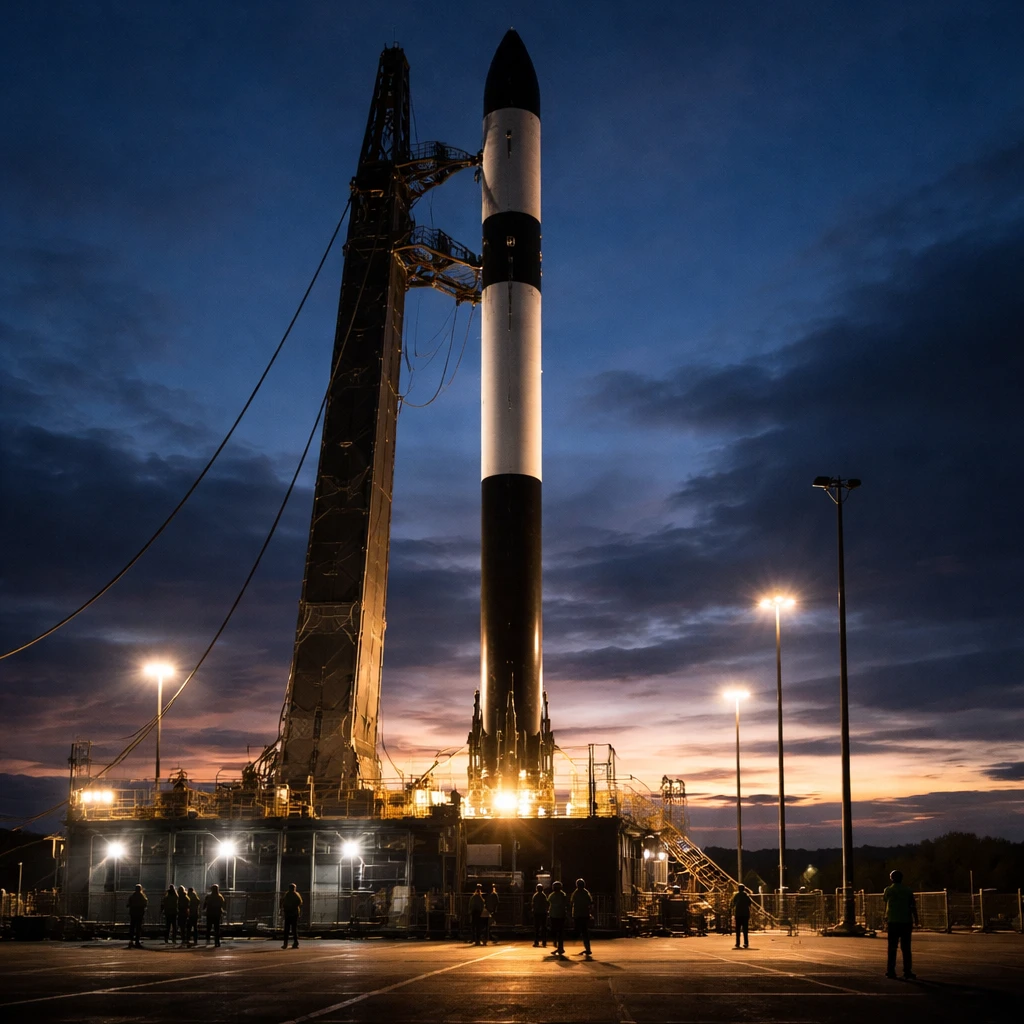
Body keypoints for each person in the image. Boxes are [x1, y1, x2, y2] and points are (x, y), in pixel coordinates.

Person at [883, 869, 919, 980]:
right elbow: (912, 905)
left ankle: (891, 971)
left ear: (891, 879)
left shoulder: (888, 890)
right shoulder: (907, 890)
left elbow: (885, 901)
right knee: (906, 948)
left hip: (893, 921)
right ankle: (907, 971)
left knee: (892, 947)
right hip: (906, 921)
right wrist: (916, 919)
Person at [571, 878, 593, 957]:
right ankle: (588, 948)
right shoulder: (586, 892)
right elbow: (590, 902)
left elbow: (572, 902)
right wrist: (590, 912)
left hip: (577, 914)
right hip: (585, 914)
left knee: (578, 930)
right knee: (585, 932)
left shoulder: (575, 893)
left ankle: (586, 948)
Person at [547, 881, 568, 955]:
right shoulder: (563, 895)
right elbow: (566, 904)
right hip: (561, 915)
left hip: (554, 915)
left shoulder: (552, 895)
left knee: (555, 931)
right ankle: (560, 947)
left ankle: (558, 945)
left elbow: (548, 903)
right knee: (560, 932)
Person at [281, 883, 302, 949]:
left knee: (287, 929)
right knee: (294, 929)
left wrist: (286, 909)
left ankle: (286, 944)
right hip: (294, 914)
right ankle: (295, 943)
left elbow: (283, 902)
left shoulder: (287, 894)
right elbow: (300, 902)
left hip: (289, 913)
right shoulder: (296, 894)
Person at [732, 884, 752, 948]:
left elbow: (733, 903)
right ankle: (746, 943)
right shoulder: (746, 895)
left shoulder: (736, 895)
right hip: (745, 914)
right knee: (745, 930)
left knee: (738, 929)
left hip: (738, 914)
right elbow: (749, 903)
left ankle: (737, 943)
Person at [127, 884, 148, 948]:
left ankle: (131, 940)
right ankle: (137, 941)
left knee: (132, 926)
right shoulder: (142, 896)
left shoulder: (132, 896)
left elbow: (128, 904)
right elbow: (145, 904)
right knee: (138, 927)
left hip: (133, 913)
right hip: (139, 913)